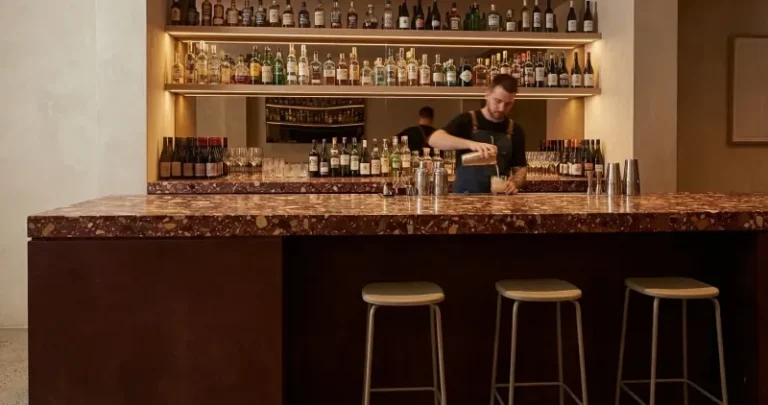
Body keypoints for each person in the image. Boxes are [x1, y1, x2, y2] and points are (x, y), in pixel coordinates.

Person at [428, 74, 527, 194]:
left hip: (500, 199)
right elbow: (434, 139)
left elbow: (520, 168)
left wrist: (515, 183)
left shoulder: (515, 130)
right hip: (465, 198)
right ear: (487, 95)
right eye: (498, 101)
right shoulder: (467, 120)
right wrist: (471, 144)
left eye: (508, 104)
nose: (502, 108)